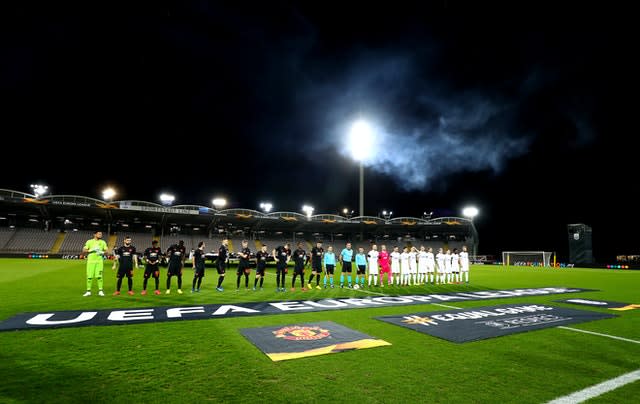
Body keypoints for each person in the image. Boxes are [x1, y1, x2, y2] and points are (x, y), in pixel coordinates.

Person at [81, 230, 108, 296]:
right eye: (99, 234)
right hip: (90, 262)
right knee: (89, 277)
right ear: (95, 234)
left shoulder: (103, 242)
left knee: (99, 276)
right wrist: (91, 250)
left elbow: (107, 251)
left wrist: (102, 252)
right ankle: (88, 291)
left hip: (99, 262)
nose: (100, 235)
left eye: (101, 234)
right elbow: (84, 250)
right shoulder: (89, 241)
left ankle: (100, 291)